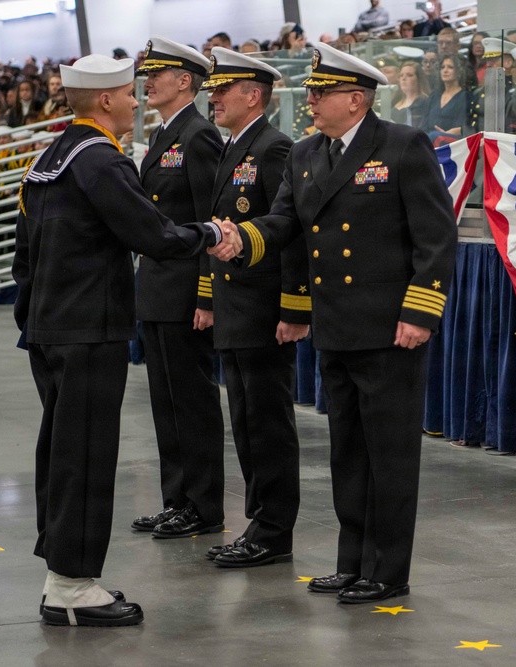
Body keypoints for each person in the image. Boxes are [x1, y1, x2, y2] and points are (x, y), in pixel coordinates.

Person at [229, 42, 457, 603]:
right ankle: (351, 561)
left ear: (356, 99)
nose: (310, 100)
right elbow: (284, 222)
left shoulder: (402, 145)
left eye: (321, 92)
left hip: (389, 329)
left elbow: (435, 238)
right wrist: (239, 239)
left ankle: (387, 570)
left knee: (389, 454)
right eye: (311, 91)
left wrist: (420, 312)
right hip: (335, 326)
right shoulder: (306, 152)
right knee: (347, 453)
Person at [12, 53, 232, 628]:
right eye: (130, 94)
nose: (137, 102)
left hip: (50, 329)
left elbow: (23, 258)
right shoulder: (100, 159)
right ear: (106, 100)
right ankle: (73, 585)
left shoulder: (49, 157)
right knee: (86, 455)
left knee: (61, 454)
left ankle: (61, 574)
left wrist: (34, 320)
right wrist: (211, 232)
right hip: (90, 329)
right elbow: (152, 234)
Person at [198, 47, 310, 568]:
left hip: (264, 310)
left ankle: (273, 530)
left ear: (253, 95)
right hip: (236, 306)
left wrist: (293, 307)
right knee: (245, 423)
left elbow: (290, 232)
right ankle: (259, 523)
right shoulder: (233, 146)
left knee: (267, 425)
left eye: (223, 90)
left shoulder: (272, 147)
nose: (214, 98)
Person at [129, 36, 228, 540]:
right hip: (157, 287)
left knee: (192, 402)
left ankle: (203, 505)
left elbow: (214, 222)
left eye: (157, 74)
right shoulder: (164, 132)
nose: (147, 82)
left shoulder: (199, 135)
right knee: (166, 403)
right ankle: (177, 500)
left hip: (187, 290)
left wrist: (207, 295)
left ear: (185, 80)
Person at [422, 55, 469, 143]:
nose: (445, 70)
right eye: (442, 67)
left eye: (450, 67)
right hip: (430, 142)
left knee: (434, 136)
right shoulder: (434, 96)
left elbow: (464, 127)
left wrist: (449, 133)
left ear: (459, 72)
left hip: (454, 143)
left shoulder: (466, 97)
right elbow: (424, 125)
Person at [392, 62, 432, 128]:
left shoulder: (425, 102)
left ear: (419, 79)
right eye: (401, 75)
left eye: (409, 75)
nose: (403, 78)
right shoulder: (394, 102)